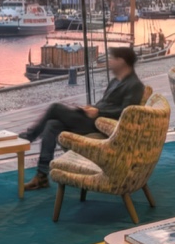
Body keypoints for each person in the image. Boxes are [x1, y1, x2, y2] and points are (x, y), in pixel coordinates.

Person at [22, 46, 145, 190]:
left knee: (55, 108)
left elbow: (126, 113)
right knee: (52, 124)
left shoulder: (135, 85)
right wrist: (91, 108)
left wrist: (98, 112)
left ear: (122, 61)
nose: (110, 62)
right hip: (93, 118)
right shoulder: (115, 81)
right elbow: (107, 104)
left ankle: (28, 137)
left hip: (101, 125)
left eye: (113, 59)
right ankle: (41, 176)